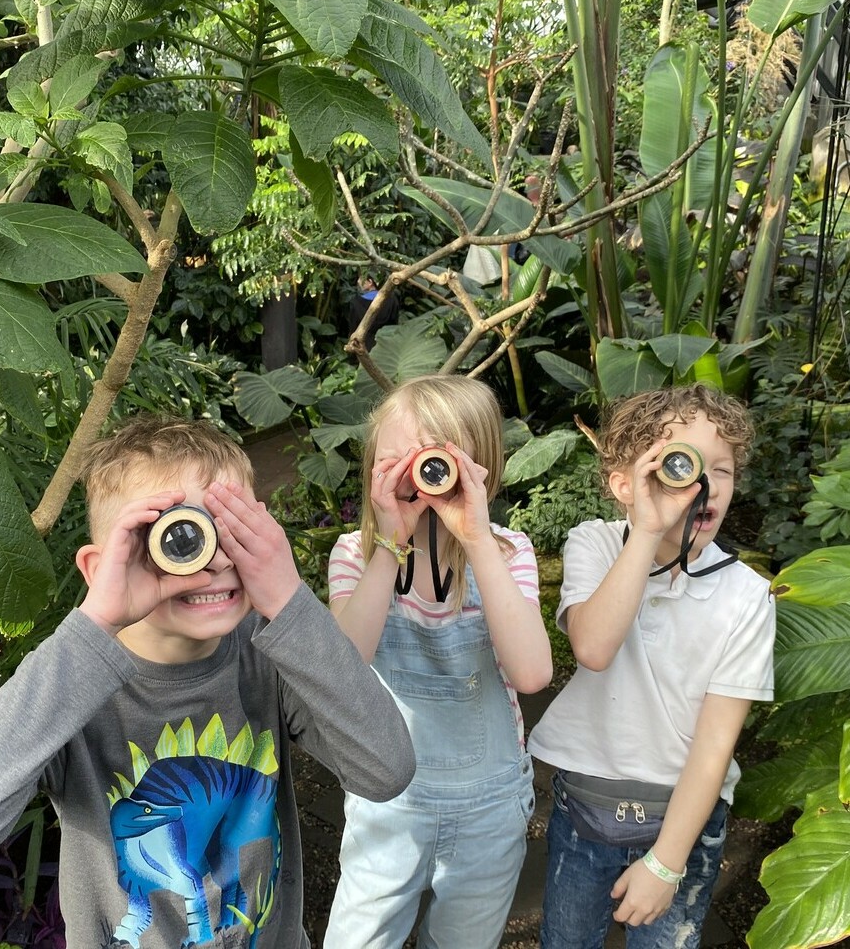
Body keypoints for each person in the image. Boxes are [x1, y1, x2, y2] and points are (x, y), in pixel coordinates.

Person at [0, 415, 416, 949]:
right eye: (178, 537)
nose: (214, 560)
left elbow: (386, 770)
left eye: (234, 530)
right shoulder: (71, 687)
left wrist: (289, 601)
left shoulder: (267, 655)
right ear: (100, 567)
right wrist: (93, 626)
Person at [526, 384, 776, 949]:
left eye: (723, 470)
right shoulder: (595, 544)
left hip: (683, 825)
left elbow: (716, 746)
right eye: (681, 466)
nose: (704, 486)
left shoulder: (747, 596)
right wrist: (646, 529)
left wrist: (666, 864)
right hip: (585, 808)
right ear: (625, 483)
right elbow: (594, 646)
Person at [323, 375, 553, 949]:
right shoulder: (355, 554)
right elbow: (342, 674)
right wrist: (390, 546)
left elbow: (531, 675)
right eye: (397, 462)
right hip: (387, 802)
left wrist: (475, 537)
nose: (419, 480)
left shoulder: (506, 552)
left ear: (482, 472)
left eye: (436, 462)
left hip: (489, 807)